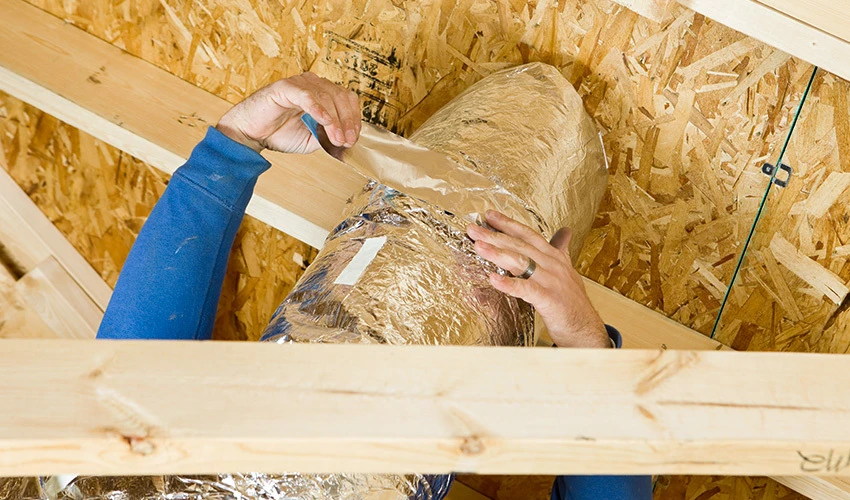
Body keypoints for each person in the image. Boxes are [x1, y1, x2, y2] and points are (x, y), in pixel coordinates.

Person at [97, 71, 651, 499]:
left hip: (401, 233)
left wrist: (234, 145)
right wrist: (588, 351)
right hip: (495, 282)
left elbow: (127, 386)